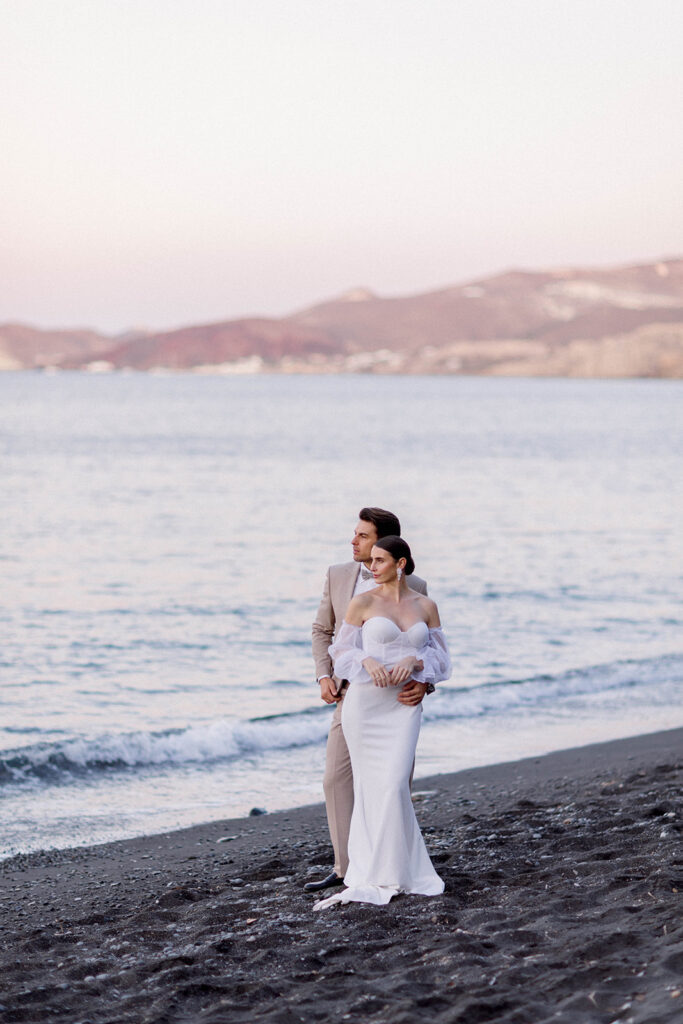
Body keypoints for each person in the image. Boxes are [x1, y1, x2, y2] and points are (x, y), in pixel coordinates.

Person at [313, 535, 451, 909]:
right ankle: (374, 870)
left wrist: (416, 663)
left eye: (379, 560)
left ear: (401, 564)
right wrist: (365, 662)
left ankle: (399, 869)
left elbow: (442, 659)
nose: (371, 567)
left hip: (404, 706)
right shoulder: (362, 602)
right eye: (370, 561)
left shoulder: (426, 605)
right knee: (373, 787)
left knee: (392, 785)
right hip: (365, 705)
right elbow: (339, 652)